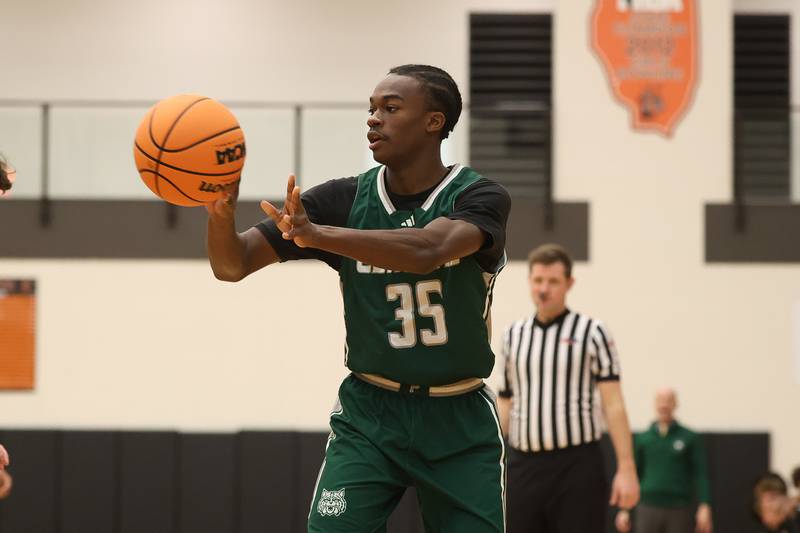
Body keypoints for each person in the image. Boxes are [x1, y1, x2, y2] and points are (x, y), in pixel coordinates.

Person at [206, 64, 511, 532]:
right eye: (371, 108)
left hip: (459, 418)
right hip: (371, 413)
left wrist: (318, 235)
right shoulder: (342, 199)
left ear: (434, 122)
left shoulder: (479, 196)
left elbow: (428, 250)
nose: (373, 118)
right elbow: (233, 264)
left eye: (390, 107)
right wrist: (219, 212)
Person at [497, 243, 639, 533]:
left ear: (569, 283)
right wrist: (490, 461)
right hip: (523, 465)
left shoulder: (593, 332)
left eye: (553, 281)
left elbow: (613, 404)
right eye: (538, 280)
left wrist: (626, 468)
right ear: (529, 281)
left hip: (577, 466)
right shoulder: (513, 335)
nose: (543, 289)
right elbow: (505, 403)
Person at [615, 388, 712, 533]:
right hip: (648, 505)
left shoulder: (689, 437)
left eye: (668, 401)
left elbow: (700, 474)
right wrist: (624, 509)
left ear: (675, 404)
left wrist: (704, 505)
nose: (664, 405)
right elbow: (633, 475)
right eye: (661, 401)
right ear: (655, 404)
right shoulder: (643, 439)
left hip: (679, 507)